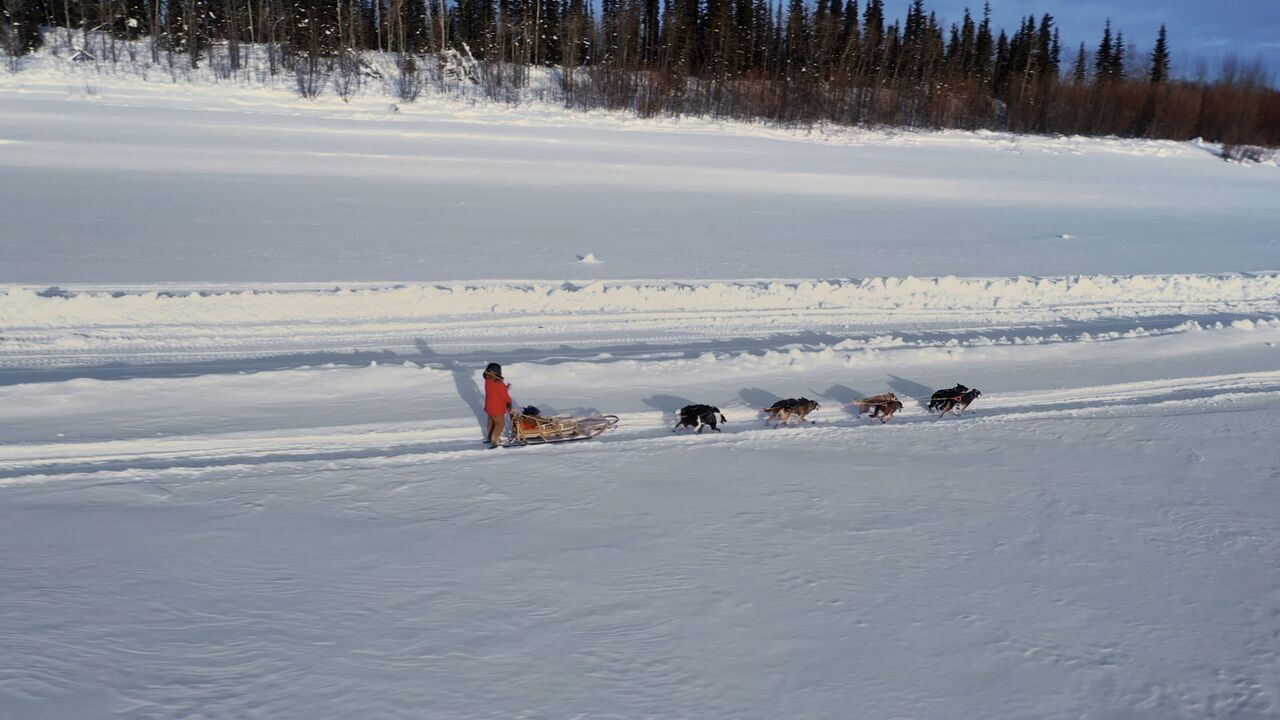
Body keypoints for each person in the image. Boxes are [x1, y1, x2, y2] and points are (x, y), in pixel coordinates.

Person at [482, 362, 512, 448]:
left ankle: (490, 437)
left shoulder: (488, 380)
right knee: (499, 424)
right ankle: (494, 441)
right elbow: (504, 396)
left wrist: (505, 387)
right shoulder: (498, 383)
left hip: (489, 406)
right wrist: (509, 402)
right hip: (497, 407)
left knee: (491, 423)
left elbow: (496, 390)